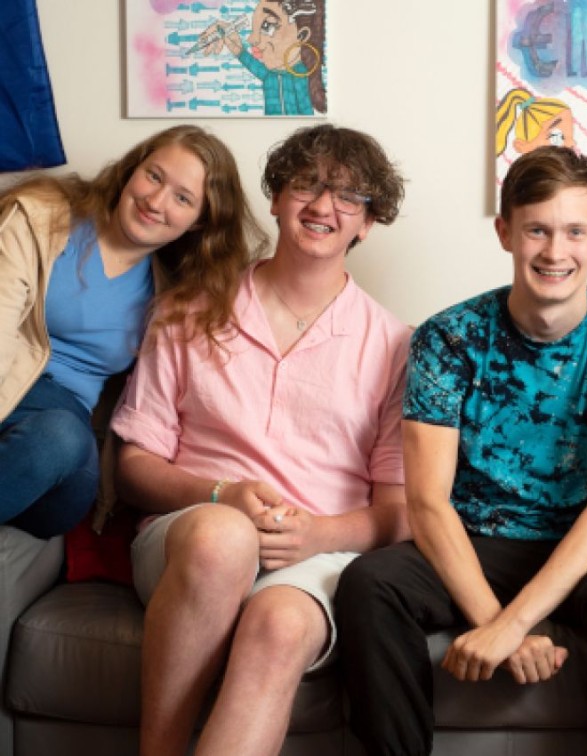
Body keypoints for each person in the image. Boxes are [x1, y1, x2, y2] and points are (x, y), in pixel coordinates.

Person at [336, 145, 587, 756]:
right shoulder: (448, 337)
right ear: (504, 232)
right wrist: (503, 627)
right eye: (536, 230)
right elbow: (429, 502)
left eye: (574, 231)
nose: (554, 251)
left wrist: (510, 625)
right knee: (369, 583)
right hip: (475, 540)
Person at [110, 124, 410, 756]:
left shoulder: (394, 345)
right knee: (224, 537)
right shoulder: (186, 311)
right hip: (189, 539)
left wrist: (317, 535)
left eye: (349, 197)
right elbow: (134, 466)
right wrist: (220, 493)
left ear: (367, 224)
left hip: (315, 561)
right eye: (307, 184)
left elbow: (400, 514)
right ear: (275, 198)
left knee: (277, 624)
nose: (324, 206)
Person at [0, 124, 264, 539]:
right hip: (7, 390)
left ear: (198, 223)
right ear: (131, 170)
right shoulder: (41, 217)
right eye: (154, 176)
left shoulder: (173, 295)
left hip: (62, 447)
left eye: (183, 198)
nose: (156, 202)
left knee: (61, 437)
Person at [198, 0, 326, 115]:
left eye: (267, 26)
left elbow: (306, 115)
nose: (251, 39)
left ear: (301, 36)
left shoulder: (299, 74)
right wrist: (234, 45)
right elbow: (250, 63)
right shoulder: (270, 75)